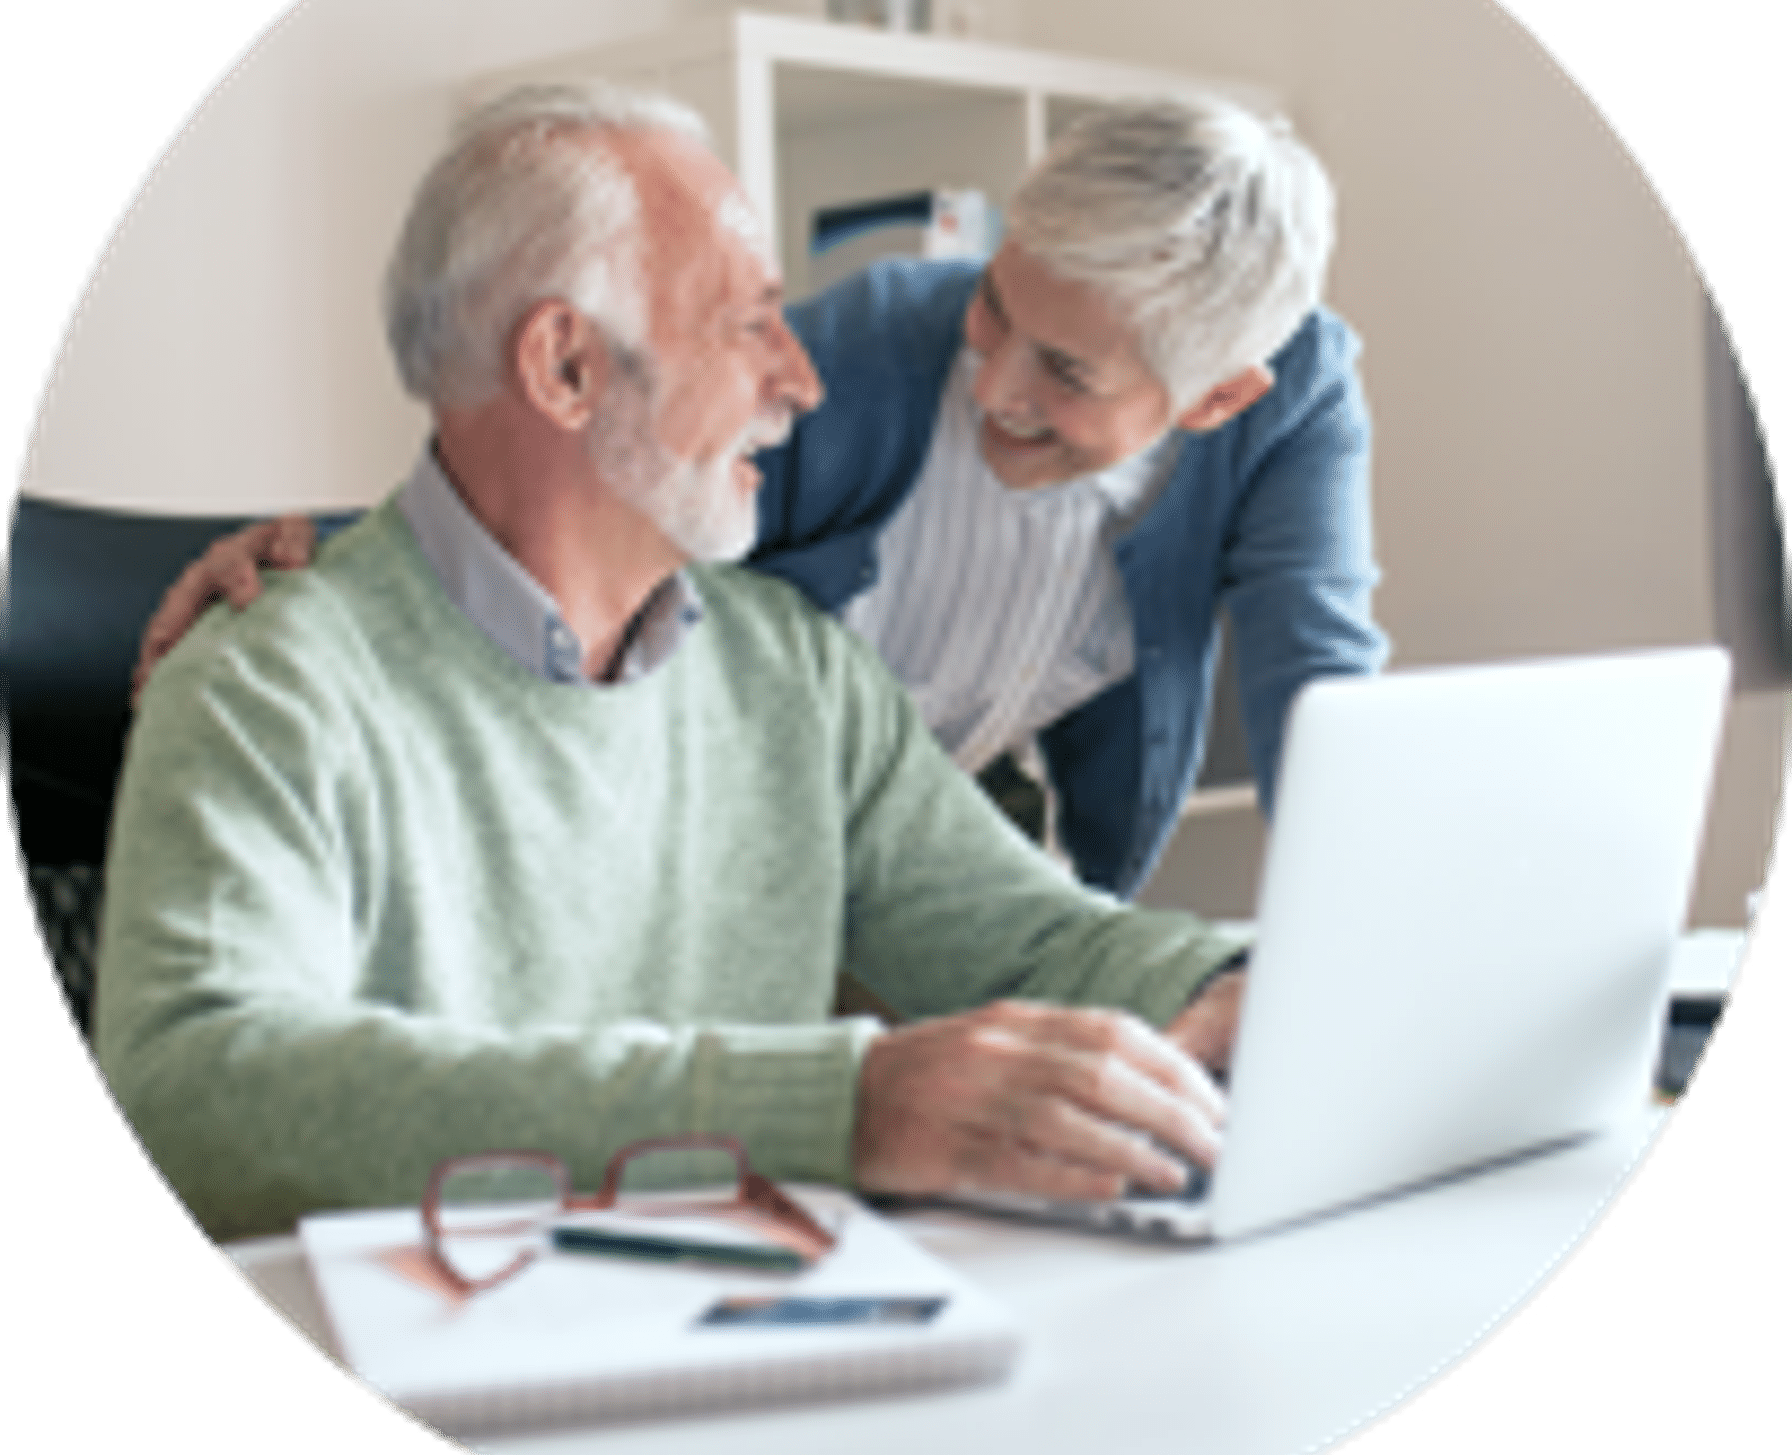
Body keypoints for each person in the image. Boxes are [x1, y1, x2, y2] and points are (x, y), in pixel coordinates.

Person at [95, 86, 1243, 1244]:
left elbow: (1039, 941)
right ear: (565, 367)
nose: (800, 379)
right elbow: (200, 1089)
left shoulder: (794, 674)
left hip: (757, 1343)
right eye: (749, 324)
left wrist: (1250, 983)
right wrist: (832, 1108)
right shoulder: (266, 683)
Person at [133, 97, 1386, 908]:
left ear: (1215, 398)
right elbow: (586, 500)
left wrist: (1363, 957)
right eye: (994, 300)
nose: (991, 379)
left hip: (959, 848)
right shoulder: (883, 351)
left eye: (1063, 372)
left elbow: (1322, 711)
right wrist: (343, 551)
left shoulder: (1293, 403)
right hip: (729, 861)